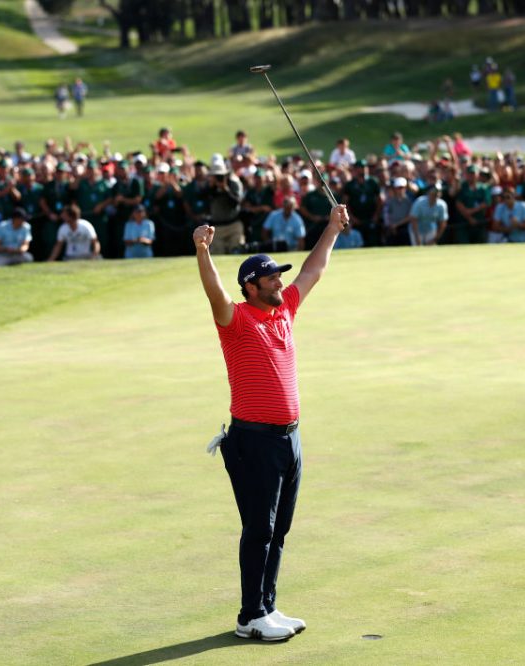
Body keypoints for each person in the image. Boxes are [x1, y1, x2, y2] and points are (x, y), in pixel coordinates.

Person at [193, 203, 350, 642]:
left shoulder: (284, 311)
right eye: (272, 277)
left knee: (279, 527)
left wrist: (332, 228)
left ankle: (266, 606)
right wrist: (203, 252)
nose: (281, 281)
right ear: (251, 285)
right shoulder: (237, 320)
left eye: (280, 275)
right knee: (259, 528)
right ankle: (249, 616)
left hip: (289, 438)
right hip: (253, 440)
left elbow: (313, 271)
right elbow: (214, 294)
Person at [207, 155, 245, 254]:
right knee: (217, 253)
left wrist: (225, 189)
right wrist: (212, 186)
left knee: (236, 250)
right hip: (217, 227)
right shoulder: (210, 186)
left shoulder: (233, 183)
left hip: (233, 225)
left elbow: (235, 203)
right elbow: (206, 199)